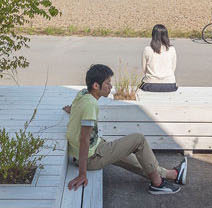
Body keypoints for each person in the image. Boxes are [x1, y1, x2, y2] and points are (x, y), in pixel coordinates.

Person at [66, 64, 187, 196]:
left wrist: (71, 110)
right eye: (107, 83)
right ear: (96, 86)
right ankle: (157, 184)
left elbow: (73, 108)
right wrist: (82, 174)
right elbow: (84, 139)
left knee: (137, 160)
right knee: (138, 140)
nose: (111, 87)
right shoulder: (90, 104)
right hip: (92, 157)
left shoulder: (82, 93)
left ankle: (174, 175)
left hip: (94, 149)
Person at [141, 25, 178, 92]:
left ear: (153, 35)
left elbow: (144, 70)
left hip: (150, 85)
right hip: (170, 85)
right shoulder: (172, 49)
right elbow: (173, 68)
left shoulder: (147, 49)